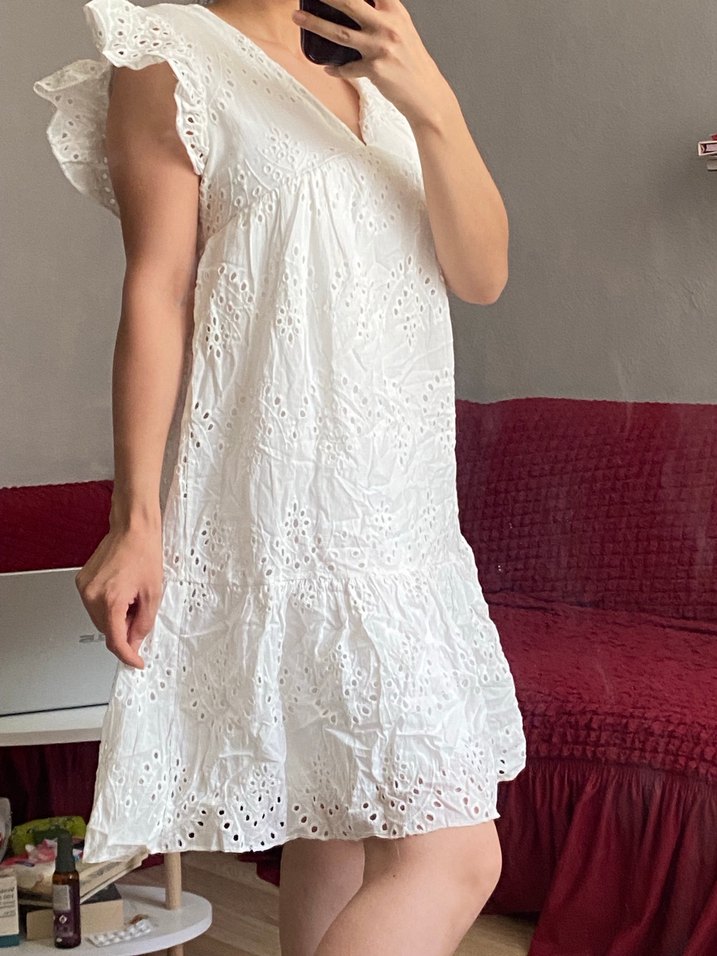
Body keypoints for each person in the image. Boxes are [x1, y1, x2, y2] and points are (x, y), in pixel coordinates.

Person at [33, 0, 527, 952]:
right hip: (295, 511)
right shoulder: (169, 56)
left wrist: (428, 99)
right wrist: (137, 519)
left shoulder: (382, 68)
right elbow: (158, 291)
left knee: (332, 824)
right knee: (458, 857)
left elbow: (481, 274)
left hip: (408, 520)